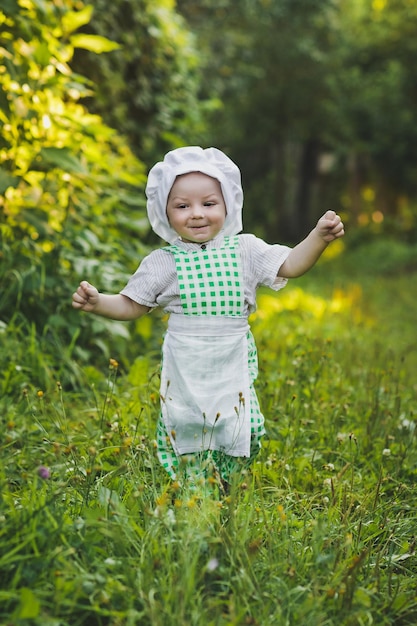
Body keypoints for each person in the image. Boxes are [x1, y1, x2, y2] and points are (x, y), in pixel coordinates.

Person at [72, 146, 344, 489]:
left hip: (231, 356)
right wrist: (100, 302)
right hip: (187, 361)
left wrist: (317, 238)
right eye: (182, 206)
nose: (197, 214)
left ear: (227, 204)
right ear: (165, 212)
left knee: (240, 423)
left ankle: (228, 481)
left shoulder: (245, 249)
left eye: (209, 203)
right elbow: (132, 305)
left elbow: (290, 264)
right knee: (186, 421)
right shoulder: (163, 262)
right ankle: (192, 488)